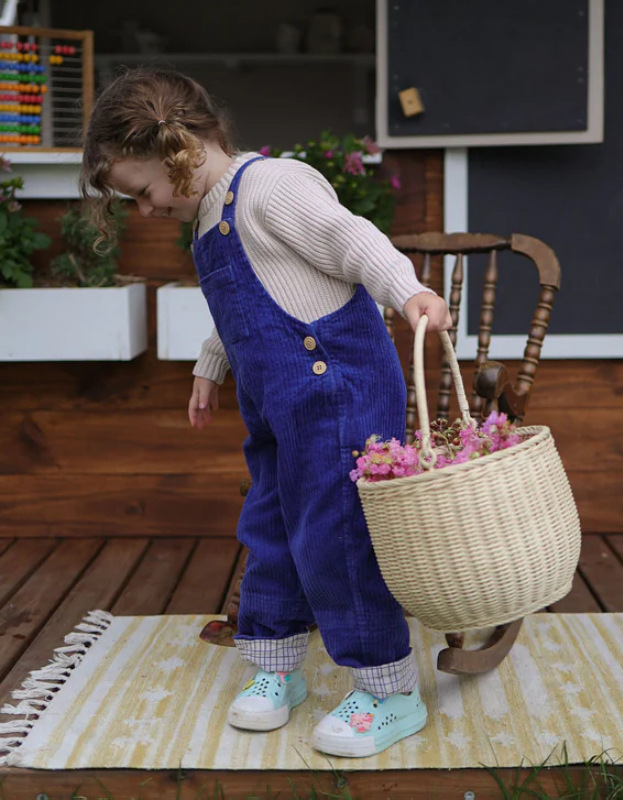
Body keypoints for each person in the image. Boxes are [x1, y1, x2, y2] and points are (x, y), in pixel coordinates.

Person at [81, 67, 452, 758]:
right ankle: (277, 666)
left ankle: (388, 687)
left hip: (338, 390)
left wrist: (408, 291)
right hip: (280, 408)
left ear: (177, 151)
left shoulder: (273, 189)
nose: (145, 209)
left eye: (142, 191)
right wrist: (211, 362)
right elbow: (248, 302)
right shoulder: (208, 221)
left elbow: (352, 240)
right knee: (273, 524)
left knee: (335, 536)